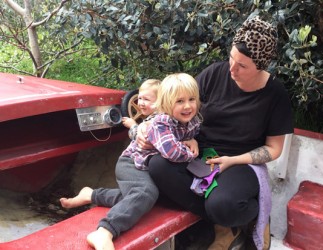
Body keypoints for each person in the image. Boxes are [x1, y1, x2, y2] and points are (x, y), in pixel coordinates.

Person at [145, 16, 294, 250]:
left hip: (240, 163)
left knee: (224, 205)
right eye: (231, 58)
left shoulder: (275, 94)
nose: (232, 68)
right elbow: (179, 106)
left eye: (242, 65)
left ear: (261, 65)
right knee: (157, 166)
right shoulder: (215, 73)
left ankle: (248, 218)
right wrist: (179, 134)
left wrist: (232, 161)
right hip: (198, 153)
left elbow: (274, 149)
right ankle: (220, 225)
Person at [60, 73, 201, 250]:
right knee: (145, 193)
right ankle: (105, 231)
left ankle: (92, 194)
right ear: (165, 103)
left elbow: (191, 137)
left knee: (144, 198)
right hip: (133, 163)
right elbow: (173, 152)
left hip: (149, 165)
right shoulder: (161, 122)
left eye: (192, 99)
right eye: (179, 101)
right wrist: (192, 153)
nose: (187, 106)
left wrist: (194, 141)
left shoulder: (192, 121)